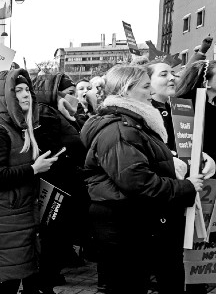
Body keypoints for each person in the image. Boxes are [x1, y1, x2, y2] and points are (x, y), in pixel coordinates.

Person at [82, 65, 202, 294]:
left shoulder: (133, 122)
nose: (150, 92)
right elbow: (136, 180)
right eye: (146, 86)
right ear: (126, 91)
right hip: (123, 223)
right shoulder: (119, 128)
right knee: (129, 285)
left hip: (131, 219)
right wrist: (184, 187)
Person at [0, 69, 59, 294]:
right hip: (4, 217)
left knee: (19, 278)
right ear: (4, 96)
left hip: (18, 215)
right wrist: (33, 169)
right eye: (17, 90)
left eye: (27, 90)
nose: (25, 95)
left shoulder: (18, 126)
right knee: (4, 284)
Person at [31, 74, 87, 290]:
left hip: (63, 182)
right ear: (55, 93)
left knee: (57, 238)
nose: (75, 98)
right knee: (52, 238)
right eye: (70, 93)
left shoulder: (57, 112)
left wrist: (74, 113)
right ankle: (45, 281)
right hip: (55, 183)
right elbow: (73, 144)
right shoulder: (45, 113)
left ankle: (48, 278)